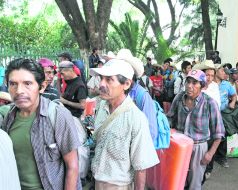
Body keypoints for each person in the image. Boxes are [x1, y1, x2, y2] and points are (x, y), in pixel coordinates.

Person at [1, 58, 81, 190]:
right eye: (13, 84)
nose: (19, 90)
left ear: (42, 87)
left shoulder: (58, 115)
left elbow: (72, 167)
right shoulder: (8, 118)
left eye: (27, 83)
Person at [90, 58, 159, 189]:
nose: (101, 85)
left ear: (126, 84)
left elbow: (141, 168)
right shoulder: (100, 106)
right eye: (101, 78)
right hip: (97, 181)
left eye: (109, 79)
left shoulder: (136, 118)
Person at [168, 69, 225, 190]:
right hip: (179, 146)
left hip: (199, 148)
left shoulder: (210, 103)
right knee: (177, 181)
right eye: (188, 82)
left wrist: (210, 153)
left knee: (195, 184)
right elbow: (170, 118)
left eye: (194, 83)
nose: (189, 86)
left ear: (202, 86)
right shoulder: (179, 98)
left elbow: (219, 133)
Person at [214, 64, 237, 168]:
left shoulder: (227, 84)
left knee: (223, 135)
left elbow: (234, 95)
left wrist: (232, 103)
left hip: (224, 114)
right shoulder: (210, 84)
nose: (225, 73)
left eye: (225, 72)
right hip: (212, 115)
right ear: (216, 71)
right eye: (222, 71)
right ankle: (211, 156)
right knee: (212, 136)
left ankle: (221, 157)